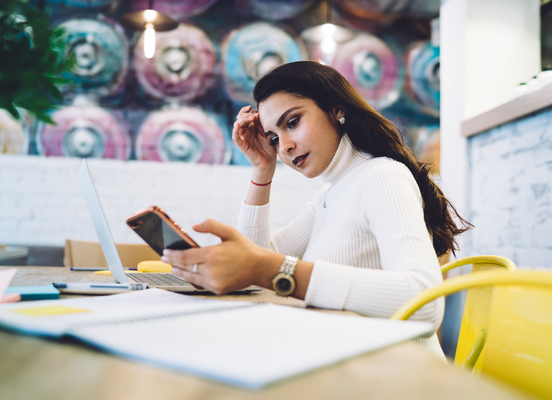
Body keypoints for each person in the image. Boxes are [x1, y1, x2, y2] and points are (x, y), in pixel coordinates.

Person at [161, 61, 471, 358]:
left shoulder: (382, 175)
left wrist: (277, 271)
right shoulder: (330, 194)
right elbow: (253, 267)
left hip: (395, 378)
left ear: (336, 109)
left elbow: (424, 303)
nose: (284, 147)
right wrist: (262, 169)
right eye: (273, 138)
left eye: (292, 123)